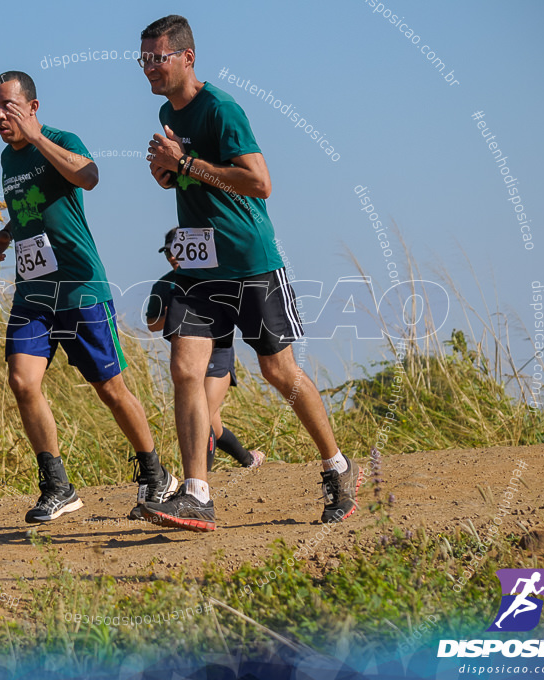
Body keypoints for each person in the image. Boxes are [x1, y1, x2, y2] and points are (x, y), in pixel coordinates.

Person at [136, 16, 361, 532]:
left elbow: (259, 183)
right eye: (144, 58)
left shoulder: (221, 109)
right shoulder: (167, 111)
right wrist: (169, 176)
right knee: (185, 369)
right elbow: (196, 180)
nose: (149, 67)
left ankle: (337, 468)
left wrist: (186, 164)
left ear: (187, 58)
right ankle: (197, 493)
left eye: (157, 57)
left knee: (279, 373)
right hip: (198, 270)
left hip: (250, 263)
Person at [0, 72, 177, 523]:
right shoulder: (7, 160)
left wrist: (37, 139)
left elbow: (89, 176)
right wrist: (5, 235)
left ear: (32, 106)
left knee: (110, 388)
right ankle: (58, 486)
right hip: (34, 292)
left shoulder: (60, 138)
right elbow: (30, 209)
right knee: (22, 381)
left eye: (7, 106)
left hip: (80, 286)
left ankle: (155, 473)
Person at [146, 228, 264, 471]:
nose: (172, 256)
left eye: (175, 250)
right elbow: (152, 323)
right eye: (168, 252)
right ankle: (249, 459)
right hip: (188, 358)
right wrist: (170, 313)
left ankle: (199, 484)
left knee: (203, 418)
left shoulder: (213, 276)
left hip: (218, 353)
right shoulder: (163, 284)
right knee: (214, 425)